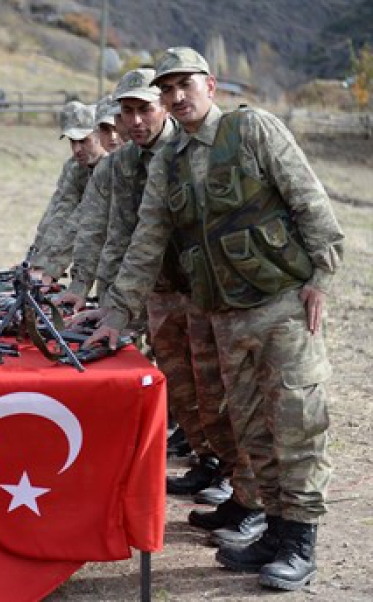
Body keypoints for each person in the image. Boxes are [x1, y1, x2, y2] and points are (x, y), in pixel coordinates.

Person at [83, 47, 344, 591]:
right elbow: (147, 241)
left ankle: (299, 541)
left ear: (211, 84)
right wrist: (116, 312)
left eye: (186, 85)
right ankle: (273, 531)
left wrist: (321, 275)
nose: (177, 97)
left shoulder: (253, 130)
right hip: (222, 313)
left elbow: (307, 198)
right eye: (168, 88)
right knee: (250, 429)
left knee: (295, 422)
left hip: (279, 306)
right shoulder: (169, 161)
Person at [32, 100, 108, 274]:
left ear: (99, 134)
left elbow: (83, 219)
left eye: (83, 141)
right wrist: (36, 260)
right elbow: (60, 211)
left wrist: (50, 269)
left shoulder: (112, 167)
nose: (76, 149)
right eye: (72, 142)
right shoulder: (75, 167)